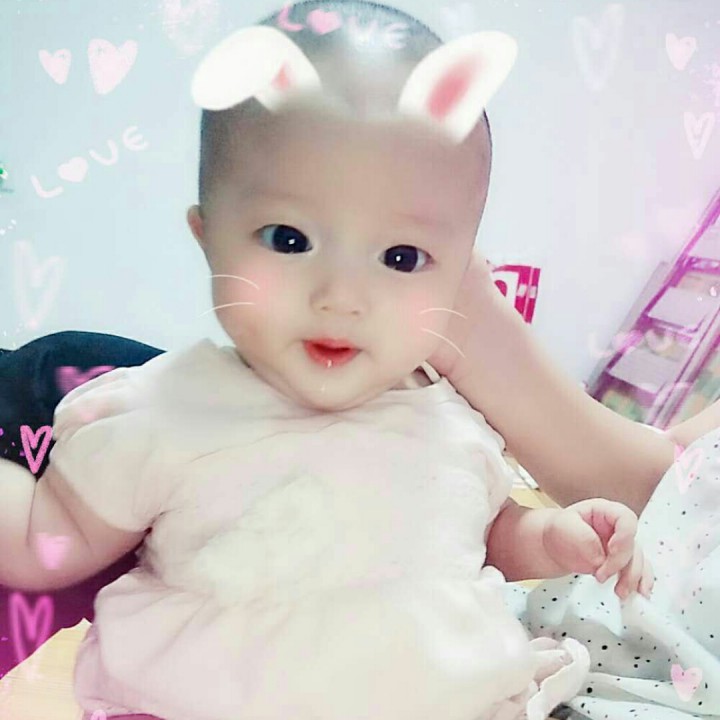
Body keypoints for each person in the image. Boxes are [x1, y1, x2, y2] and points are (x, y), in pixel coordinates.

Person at [0, 1, 718, 718]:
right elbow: (43, 539)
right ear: (207, 235)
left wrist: (552, 538)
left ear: (462, 281)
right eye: (288, 240)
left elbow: (484, 534)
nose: (341, 297)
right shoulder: (162, 409)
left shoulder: (448, 422)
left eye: (401, 258)